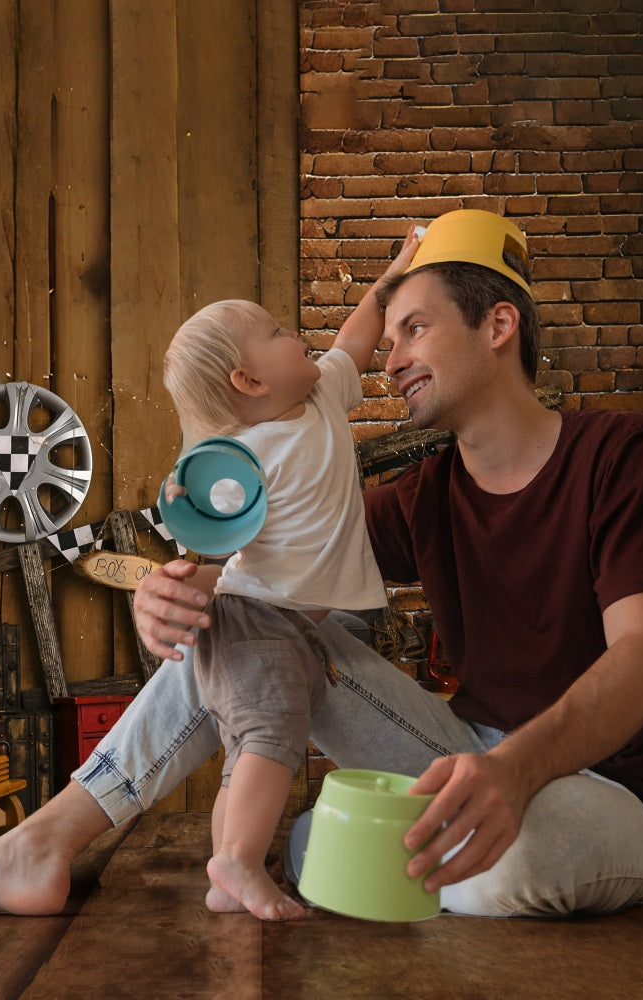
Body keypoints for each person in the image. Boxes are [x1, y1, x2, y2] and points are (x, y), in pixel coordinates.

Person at [0, 208, 643, 919]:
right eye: (386, 336)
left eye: (416, 330)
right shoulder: (425, 496)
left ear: (499, 326)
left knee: (509, 867)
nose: (389, 359)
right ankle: (46, 842)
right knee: (249, 618)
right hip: (463, 754)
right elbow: (273, 571)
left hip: (612, 791)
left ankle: (343, 851)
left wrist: (515, 768)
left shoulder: (623, 456)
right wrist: (182, 593)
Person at [154, 259, 413, 918]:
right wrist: (179, 494)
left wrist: (394, 276)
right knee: (272, 737)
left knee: (251, 743)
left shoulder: (325, 391)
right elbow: (203, 508)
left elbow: (355, 336)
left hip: (281, 621)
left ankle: (224, 874)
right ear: (250, 379)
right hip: (255, 616)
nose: (293, 332)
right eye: (274, 332)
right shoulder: (243, 452)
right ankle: (238, 860)